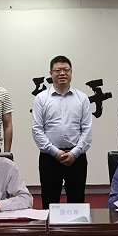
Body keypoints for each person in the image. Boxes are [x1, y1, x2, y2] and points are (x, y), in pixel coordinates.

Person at [31, 55, 93, 209]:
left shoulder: (82, 98)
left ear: (71, 72)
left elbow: (87, 129)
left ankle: (76, 227)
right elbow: (37, 130)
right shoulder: (41, 98)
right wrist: (55, 152)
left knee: (77, 203)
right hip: (49, 158)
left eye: (66, 70)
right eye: (58, 70)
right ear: (51, 73)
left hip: (76, 157)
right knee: (49, 203)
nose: (62, 73)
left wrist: (75, 153)